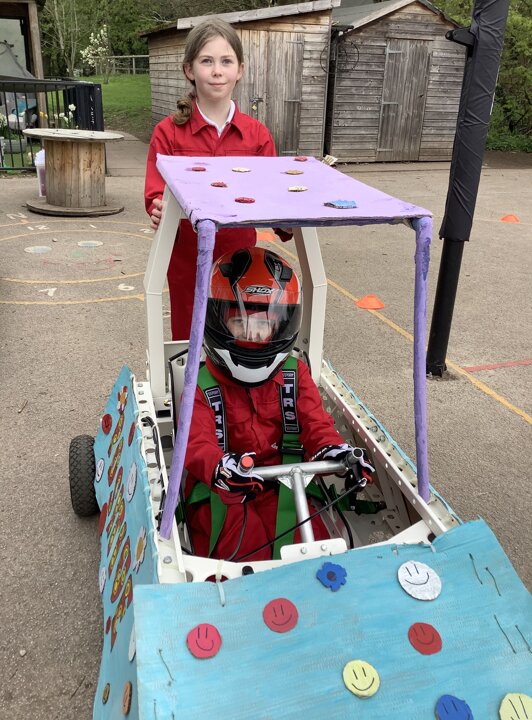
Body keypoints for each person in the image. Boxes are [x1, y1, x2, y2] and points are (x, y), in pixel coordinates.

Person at [183, 247, 375, 561]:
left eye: (263, 325)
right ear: (217, 320)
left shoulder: (294, 374)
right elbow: (196, 442)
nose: (253, 334)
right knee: (242, 557)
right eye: (240, 323)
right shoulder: (200, 383)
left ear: (281, 326)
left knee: (317, 554)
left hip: (287, 482)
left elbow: (317, 424)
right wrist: (219, 467)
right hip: (223, 489)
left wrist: (337, 451)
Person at [145, 18, 290, 340]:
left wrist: (289, 221)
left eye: (226, 61)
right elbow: (155, 193)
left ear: (240, 70)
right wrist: (157, 208)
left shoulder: (257, 135)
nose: (217, 71)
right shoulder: (167, 133)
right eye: (206, 61)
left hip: (241, 262)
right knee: (189, 340)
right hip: (185, 260)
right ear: (189, 70)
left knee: (239, 339)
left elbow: (274, 197)